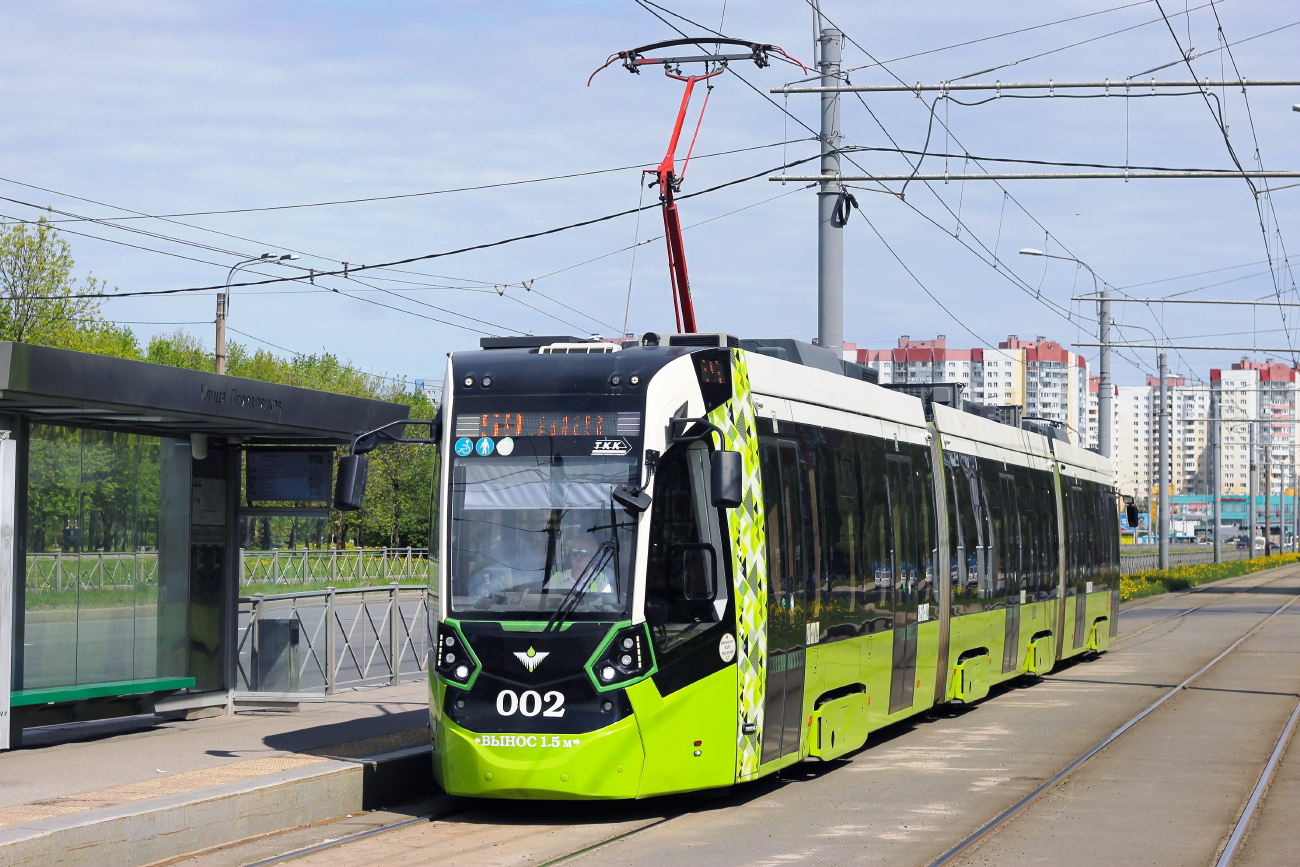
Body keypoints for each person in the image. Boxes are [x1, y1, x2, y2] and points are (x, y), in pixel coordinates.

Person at [550, 544, 614, 594]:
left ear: (593, 556)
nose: (578, 556)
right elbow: (545, 601)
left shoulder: (602, 579)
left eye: (584, 553)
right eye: (575, 552)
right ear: (570, 555)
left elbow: (608, 605)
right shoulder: (556, 578)